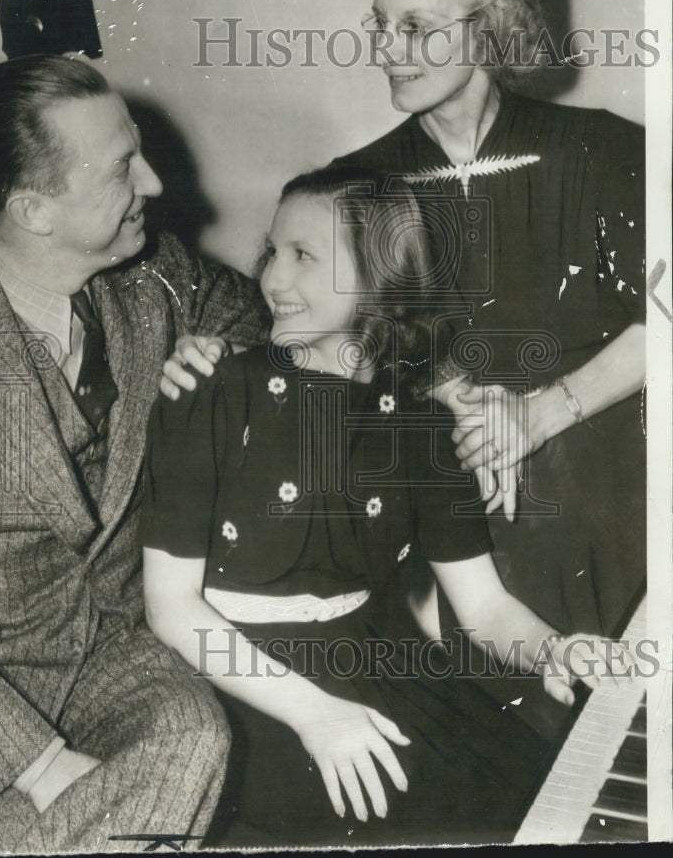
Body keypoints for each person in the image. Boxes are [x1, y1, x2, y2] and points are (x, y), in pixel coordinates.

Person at [140, 167, 633, 849]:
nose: (273, 280)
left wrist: (552, 648)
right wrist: (316, 716)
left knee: (535, 807)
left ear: (381, 278)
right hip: (235, 689)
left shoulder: (423, 427)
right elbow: (170, 608)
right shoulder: (207, 394)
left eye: (304, 256)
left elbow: (486, 611)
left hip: (374, 666)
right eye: (271, 252)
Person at [0, 54, 270, 853]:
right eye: (125, 169)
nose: (156, 186)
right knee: (14, 827)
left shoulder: (152, 273)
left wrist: (216, 366)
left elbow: (249, 317)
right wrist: (41, 766)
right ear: (35, 209)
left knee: (193, 734)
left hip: (114, 651)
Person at [329, 0, 645, 644]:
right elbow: (372, 348)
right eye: (379, 23)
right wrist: (469, 412)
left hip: (619, 476)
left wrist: (541, 413)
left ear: (490, 23)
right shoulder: (355, 188)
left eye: (416, 26)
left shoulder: (603, 150)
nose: (387, 49)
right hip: (468, 499)